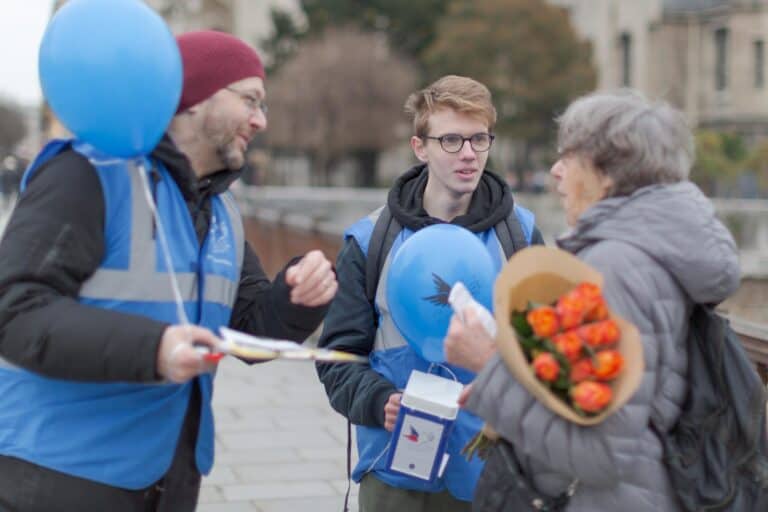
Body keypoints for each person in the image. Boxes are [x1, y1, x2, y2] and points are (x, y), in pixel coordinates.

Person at [0, 30, 337, 512]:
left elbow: (250, 328)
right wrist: (154, 348)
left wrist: (297, 296)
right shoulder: (85, 173)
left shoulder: (222, 210)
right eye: (250, 100)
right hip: (61, 475)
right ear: (195, 98)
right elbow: (15, 312)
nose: (261, 120)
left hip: (170, 478)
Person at [444, 90, 741, 511]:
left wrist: (491, 366)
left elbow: (600, 454)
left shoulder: (615, 268)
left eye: (569, 157)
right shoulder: (648, 251)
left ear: (607, 174)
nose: (555, 171)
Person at [316, 75, 544, 512]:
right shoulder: (369, 240)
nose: (469, 153)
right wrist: (378, 400)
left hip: (493, 469)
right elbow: (337, 358)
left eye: (480, 138)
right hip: (394, 470)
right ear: (420, 147)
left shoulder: (522, 236)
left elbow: (549, 356)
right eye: (451, 140)